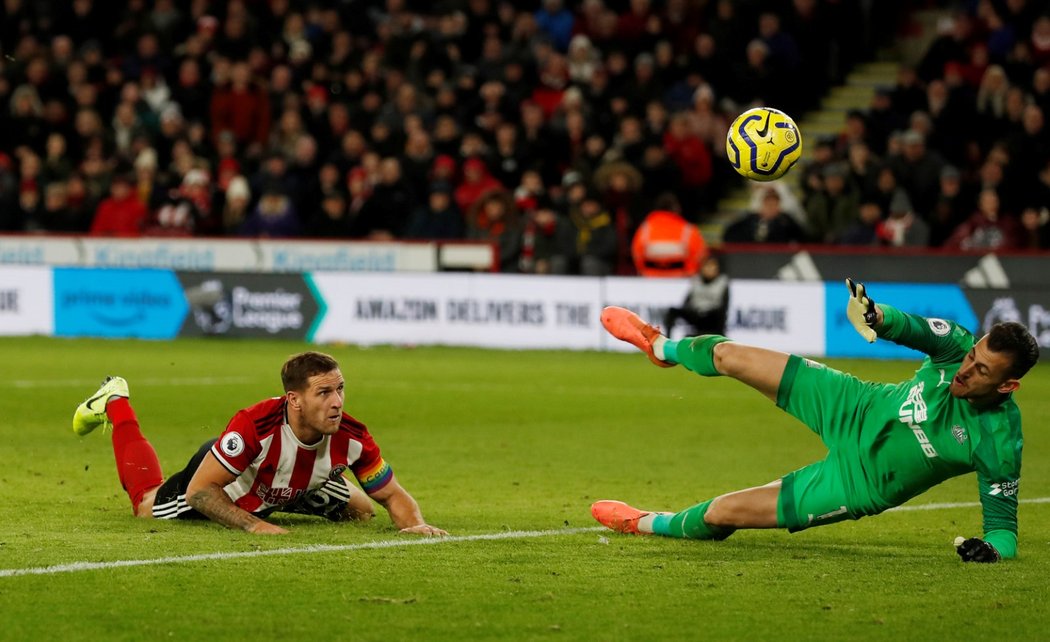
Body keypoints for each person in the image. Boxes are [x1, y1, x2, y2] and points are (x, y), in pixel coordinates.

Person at [593, 279, 1039, 563]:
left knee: (721, 513)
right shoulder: (954, 346)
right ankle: (662, 348)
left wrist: (991, 551)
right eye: (971, 356)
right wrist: (874, 314)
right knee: (728, 354)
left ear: (1008, 386)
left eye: (982, 371)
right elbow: (904, 326)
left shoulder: (998, 441)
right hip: (854, 403)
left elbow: (1004, 533)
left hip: (858, 482)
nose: (965, 369)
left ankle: (644, 522)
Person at [72, 352, 447, 536]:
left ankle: (298, 482)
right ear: (294, 400)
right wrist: (254, 527)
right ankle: (115, 401)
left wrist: (415, 525)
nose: (337, 402)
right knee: (145, 506)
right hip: (230, 481)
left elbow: (394, 495)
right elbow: (200, 492)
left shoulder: (351, 435)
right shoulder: (254, 425)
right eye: (324, 393)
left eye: (340, 389)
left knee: (362, 510)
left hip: (284, 482)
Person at [662, 253, 729, 339]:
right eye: (706, 266)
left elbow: (724, 307)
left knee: (717, 315)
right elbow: (686, 302)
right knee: (672, 311)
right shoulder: (696, 280)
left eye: (712, 266)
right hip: (697, 314)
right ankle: (668, 339)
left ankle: (712, 335)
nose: (709, 269)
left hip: (712, 317)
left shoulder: (722, 282)